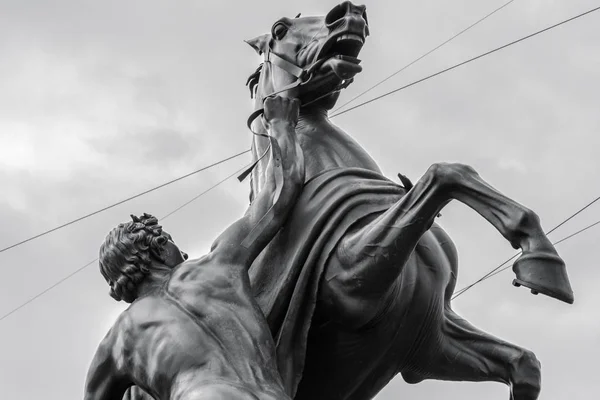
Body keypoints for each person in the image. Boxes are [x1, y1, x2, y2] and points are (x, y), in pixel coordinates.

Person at [84, 96, 304, 400]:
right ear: (159, 248)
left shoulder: (117, 343)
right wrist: (281, 124)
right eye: (173, 243)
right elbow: (280, 191)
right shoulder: (221, 263)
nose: (184, 254)